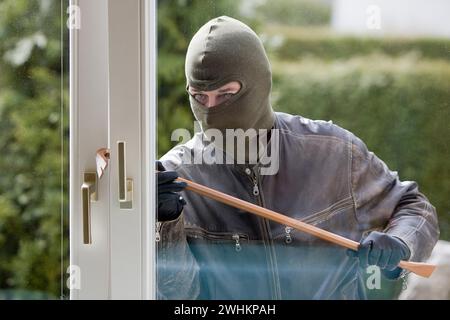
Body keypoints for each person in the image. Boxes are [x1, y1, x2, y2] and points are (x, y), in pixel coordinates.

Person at [156, 16, 439, 299]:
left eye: (226, 94)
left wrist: (400, 243)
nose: (211, 111)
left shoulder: (332, 152)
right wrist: (165, 224)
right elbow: (180, 296)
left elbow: (413, 206)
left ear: (259, 84)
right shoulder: (177, 177)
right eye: (199, 97)